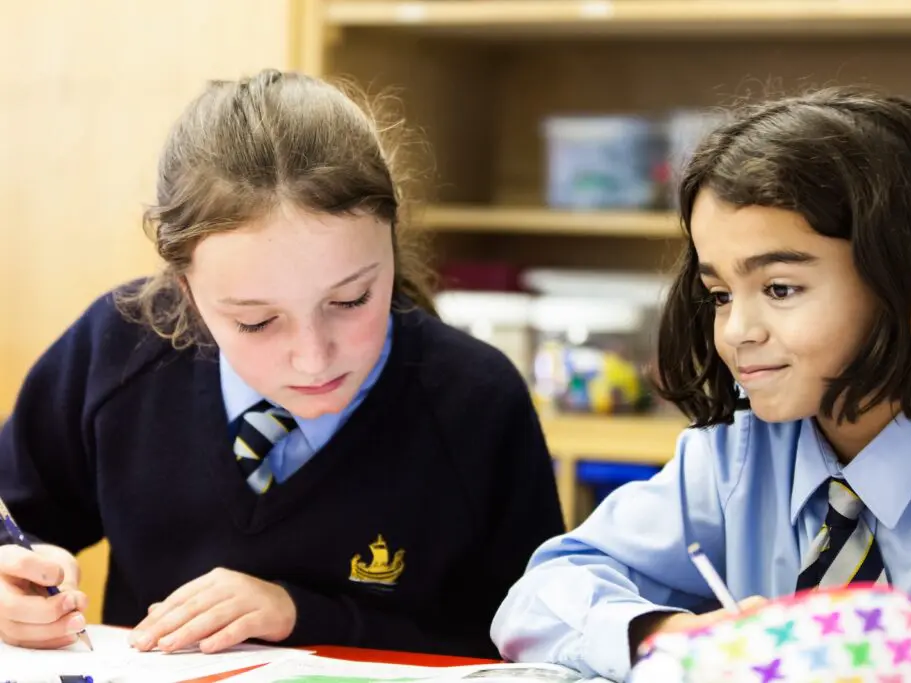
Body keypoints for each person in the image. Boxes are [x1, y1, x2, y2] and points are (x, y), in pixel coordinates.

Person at [0, 68, 564, 658]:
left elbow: (536, 643)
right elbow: (19, 517)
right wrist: (18, 581)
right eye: (255, 321)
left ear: (390, 244)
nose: (312, 356)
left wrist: (301, 615)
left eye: (350, 301)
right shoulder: (119, 348)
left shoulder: (474, 403)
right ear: (185, 290)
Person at [491, 86, 911, 681]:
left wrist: (893, 660)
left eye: (780, 289)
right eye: (719, 294)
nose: (737, 331)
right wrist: (674, 638)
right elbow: (540, 597)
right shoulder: (734, 456)